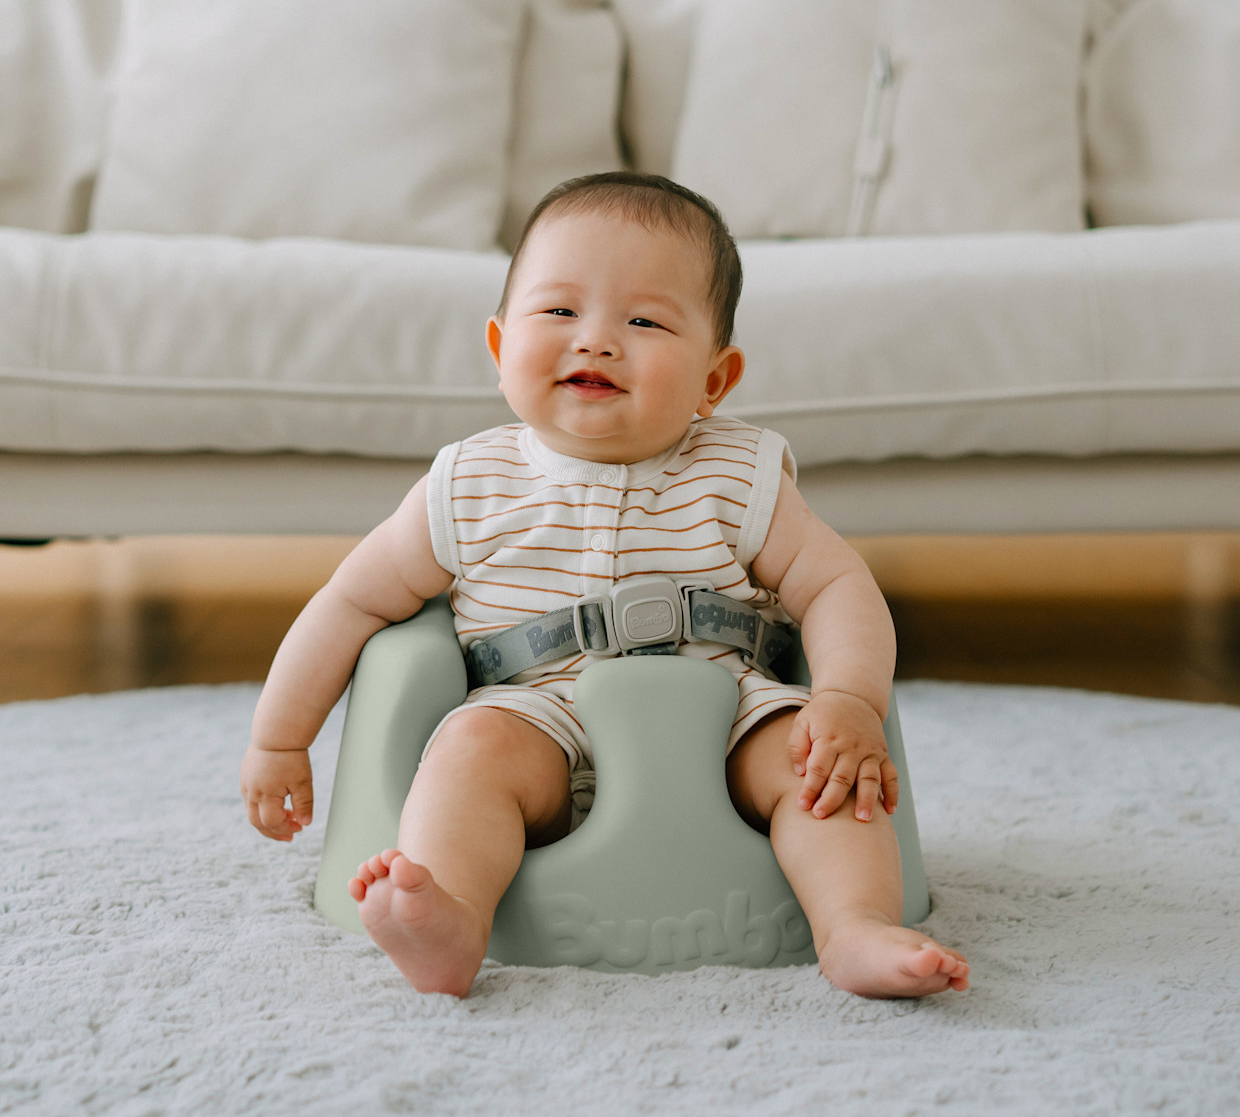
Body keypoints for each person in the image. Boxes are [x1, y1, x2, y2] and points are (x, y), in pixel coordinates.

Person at [241, 172, 970, 1000]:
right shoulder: (468, 484)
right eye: (558, 312)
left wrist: (846, 696)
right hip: (534, 716)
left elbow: (836, 584)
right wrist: (280, 738)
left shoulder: (739, 474)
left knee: (821, 768)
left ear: (714, 379)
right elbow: (352, 603)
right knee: (466, 758)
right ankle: (448, 917)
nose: (595, 340)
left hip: (726, 711)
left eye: (645, 321)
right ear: (498, 344)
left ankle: (855, 927)